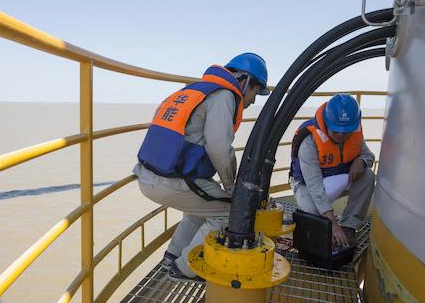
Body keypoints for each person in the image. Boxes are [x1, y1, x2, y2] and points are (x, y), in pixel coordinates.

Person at [134, 53, 269, 281]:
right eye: (256, 92)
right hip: (170, 181)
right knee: (229, 213)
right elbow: (219, 148)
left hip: (149, 175)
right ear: (245, 81)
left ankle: (172, 256)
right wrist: (230, 187)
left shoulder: (193, 90)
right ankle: (186, 268)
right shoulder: (225, 95)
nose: (253, 101)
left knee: (201, 208)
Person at [289, 94, 375, 248]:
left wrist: (361, 161)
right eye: (335, 131)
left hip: (335, 179)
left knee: (368, 175)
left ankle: (349, 227)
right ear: (326, 123)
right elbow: (315, 186)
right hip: (307, 185)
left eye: (346, 131)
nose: (341, 136)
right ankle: (330, 230)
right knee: (312, 210)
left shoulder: (354, 134)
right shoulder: (309, 140)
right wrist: (333, 224)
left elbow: (368, 156)